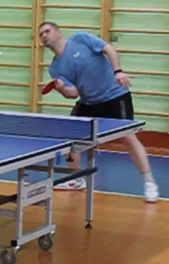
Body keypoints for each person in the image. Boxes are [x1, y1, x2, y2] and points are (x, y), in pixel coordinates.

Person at [37, 21, 159, 203]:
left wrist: (118, 71)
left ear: (59, 32)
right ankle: (76, 178)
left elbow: (108, 48)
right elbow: (74, 93)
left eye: (47, 31)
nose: (44, 35)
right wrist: (62, 89)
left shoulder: (80, 39)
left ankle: (149, 182)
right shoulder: (55, 68)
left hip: (115, 95)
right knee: (69, 138)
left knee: (128, 137)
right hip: (89, 102)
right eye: (41, 34)